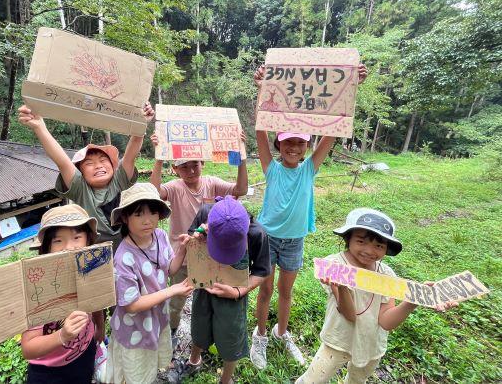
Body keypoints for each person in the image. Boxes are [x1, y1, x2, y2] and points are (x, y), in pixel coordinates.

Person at [249, 64, 368, 369]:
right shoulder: (271, 167)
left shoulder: (309, 169)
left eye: (300, 142)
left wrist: (351, 88)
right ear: (279, 145)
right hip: (268, 238)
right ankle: (260, 335)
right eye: (288, 141)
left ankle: (282, 332)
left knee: (286, 292)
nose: (293, 147)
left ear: (306, 147)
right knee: (265, 290)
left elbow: (332, 132)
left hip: (294, 240)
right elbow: (260, 128)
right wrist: (262, 88)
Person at [295, 208, 458, 384]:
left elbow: (386, 322)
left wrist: (412, 301)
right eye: (361, 241)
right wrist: (342, 287)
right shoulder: (335, 267)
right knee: (313, 380)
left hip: (371, 345)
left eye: (379, 246)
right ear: (347, 238)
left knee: (357, 381)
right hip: (338, 341)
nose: (369, 250)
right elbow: (349, 315)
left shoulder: (387, 276)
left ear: (386, 249)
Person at [149, 132, 249, 346]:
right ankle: (172, 331)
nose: (191, 170)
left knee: (208, 296)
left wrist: (241, 159)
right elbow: (154, 191)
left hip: (210, 254)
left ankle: (203, 338)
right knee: (176, 300)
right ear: (175, 169)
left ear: (202, 162)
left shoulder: (211, 183)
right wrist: (159, 157)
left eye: (194, 164)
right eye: (183, 166)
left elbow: (240, 190)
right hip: (182, 254)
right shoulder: (175, 187)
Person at [18, 103, 155, 252]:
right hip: (95, 255)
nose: (98, 166)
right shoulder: (81, 188)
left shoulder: (120, 179)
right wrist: (40, 127)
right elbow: (62, 162)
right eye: (89, 163)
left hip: (132, 251)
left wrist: (141, 124)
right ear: (80, 173)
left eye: (103, 161)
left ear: (113, 167)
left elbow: (131, 154)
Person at [167, 196, 271, 384]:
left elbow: (261, 271)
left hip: (233, 292)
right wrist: (196, 236)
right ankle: (194, 360)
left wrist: (239, 292)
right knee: (199, 325)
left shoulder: (257, 234)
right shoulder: (207, 213)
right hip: (205, 284)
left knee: (231, 336)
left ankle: (226, 380)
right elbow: (191, 236)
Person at [104, 183, 194, 384]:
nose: (147, 220)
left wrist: (182, 250)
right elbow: (132, 304)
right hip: (134, 328)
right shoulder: (124, 257)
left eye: (153, 212)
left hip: (156, 318)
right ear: (125, 218)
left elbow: (169, 269)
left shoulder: (160, 236)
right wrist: (171, 291)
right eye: (138, 214)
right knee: (136, 370)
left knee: (149, 365)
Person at [20, 204, 100, 384]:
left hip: (84, 352)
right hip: (50, 371)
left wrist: (99, 328)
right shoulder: (38, 287)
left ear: (88, 240)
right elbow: (28, 348)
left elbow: (97, 302)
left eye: (77, 237)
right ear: (46, 247)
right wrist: (62, 335)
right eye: (58, 241)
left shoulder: (90, 270)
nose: (69, 247)